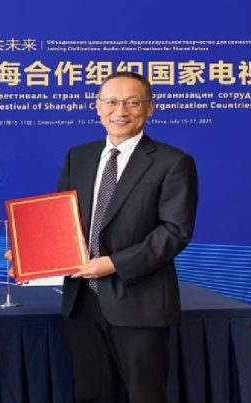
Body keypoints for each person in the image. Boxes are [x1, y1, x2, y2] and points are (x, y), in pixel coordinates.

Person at [58, 72, 198, 402]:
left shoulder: (173, 162)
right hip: (82, 301)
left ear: (150, 108)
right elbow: (61, 220)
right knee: (91, 394)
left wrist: (114, 264)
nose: (120, 111)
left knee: (145, 395)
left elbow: (175, 232)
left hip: (140, 300)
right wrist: (33, 252)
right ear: (97, 107)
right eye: (111, 102)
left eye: (132, 103)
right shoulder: (78, 156)